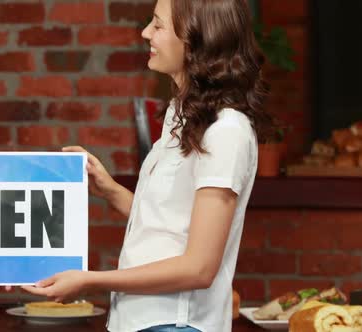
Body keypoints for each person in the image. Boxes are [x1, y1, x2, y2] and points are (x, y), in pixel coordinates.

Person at [23, 0, 274, 331]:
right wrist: (110, 191)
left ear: (196, 38)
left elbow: (199, 267)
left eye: (157, 25)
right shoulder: (182, 116)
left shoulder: (226, 131)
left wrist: (90, 281)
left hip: (178, 324)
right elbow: (170, 227)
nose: (146, 33)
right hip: (139, 320)